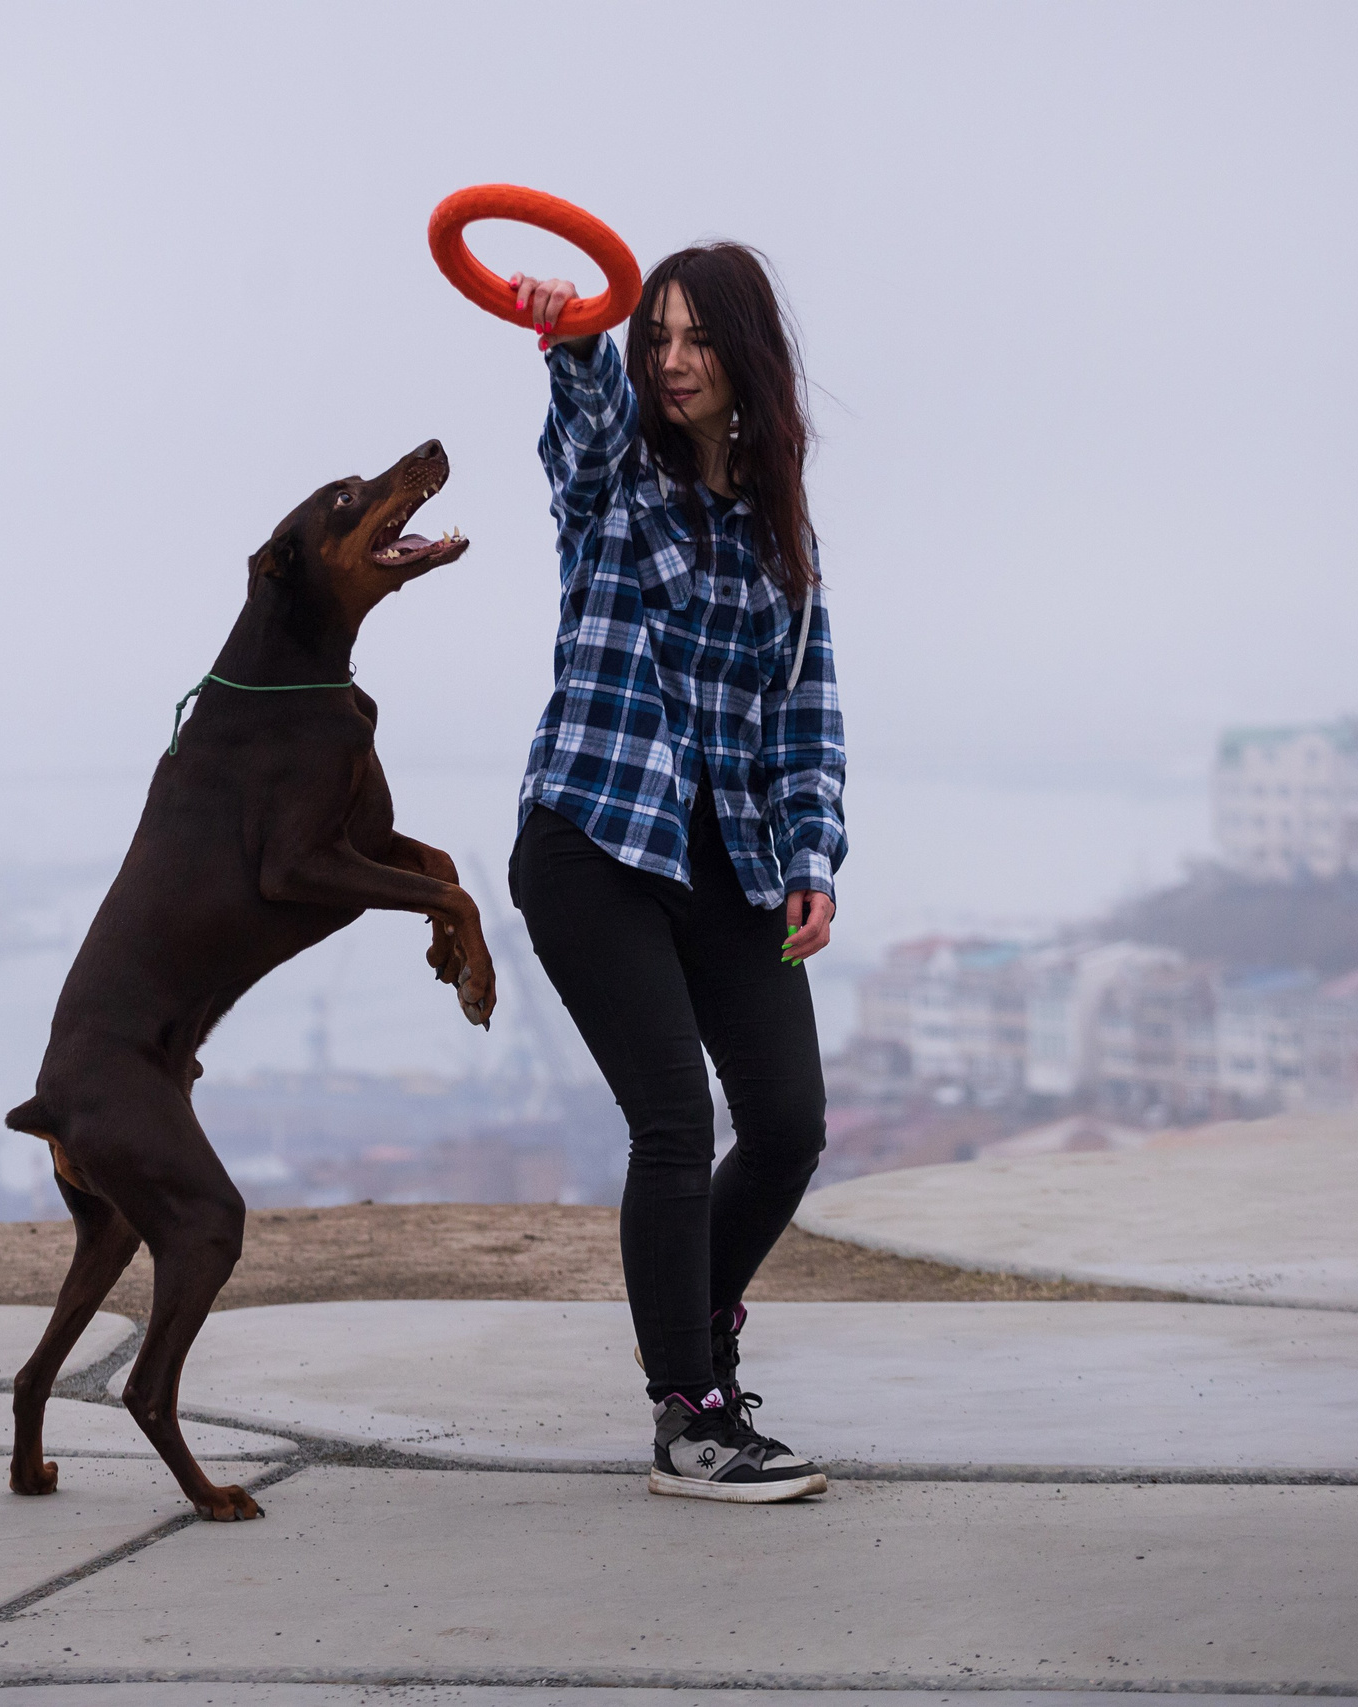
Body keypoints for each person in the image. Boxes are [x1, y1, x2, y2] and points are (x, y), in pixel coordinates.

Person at [504, 246, 844, 1504]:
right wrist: (570, 343)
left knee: (792, 1124)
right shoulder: (617, 486)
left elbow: (806, 714)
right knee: (671, 1121)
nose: (675, 359)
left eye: (698, 339)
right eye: (658, 338)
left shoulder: (780, 528)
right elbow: (583, 441)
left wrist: (810, 856)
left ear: (746, 352)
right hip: (593, 837)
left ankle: (695, 1329)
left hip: (729, 861)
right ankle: (691, 1416)